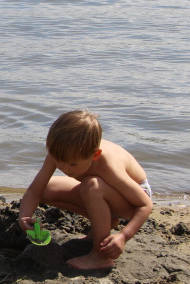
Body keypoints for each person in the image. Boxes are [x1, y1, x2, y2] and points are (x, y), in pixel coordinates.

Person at [17, 109, 154, 270]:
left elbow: (145, 205)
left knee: (91, 185)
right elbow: (35, 191)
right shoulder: (61, 152)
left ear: (95, 155)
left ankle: (101, 256)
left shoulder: (108, 165)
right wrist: (24, 215)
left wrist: (124, 235)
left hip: (132, 198)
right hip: (103, 191)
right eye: (59, 162)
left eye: (73, 164)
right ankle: (105, 222)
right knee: (46, 189)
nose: (65, 169)